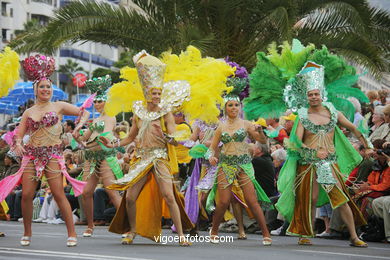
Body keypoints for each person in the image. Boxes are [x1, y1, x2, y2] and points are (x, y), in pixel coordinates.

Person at [101, 47, 233, 246]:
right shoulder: (138, 113)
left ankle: (180, 235)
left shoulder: (165, 113)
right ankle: (133, 231)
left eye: (159, 93)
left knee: (169, 196)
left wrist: (169, 137)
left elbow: (175, 134)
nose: (156, 96)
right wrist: (112, 143)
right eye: (154, 92)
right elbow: (129, 138)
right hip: (141, 158)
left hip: (159, 158)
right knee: (129, 198)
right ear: (147, 93)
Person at [0, 54, 89, 247]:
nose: (46, 89)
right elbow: (18, 134)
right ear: (36, 90)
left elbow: (84, 112)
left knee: (58, 193)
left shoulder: (59, 106)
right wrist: (18, 143)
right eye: (42, 87)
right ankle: (27, 233)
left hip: (53, 156)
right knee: (26, 195)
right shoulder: (28, 112)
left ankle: (72, 233)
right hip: (32, 156)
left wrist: (77, 127)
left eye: (48, 86)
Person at [276, 62, 369, 247]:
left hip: (328, 163)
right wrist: (311, 151)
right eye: (310, 94)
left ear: (321, 94)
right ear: (306, 97)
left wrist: (368, 145)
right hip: (308, 164)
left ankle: (354, 236)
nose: (313, 97)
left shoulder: (334, 113)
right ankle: (305, 233)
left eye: (316, 94)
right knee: (309, 199)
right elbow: (297, 141)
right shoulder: (303, 116)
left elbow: (353, 128)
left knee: (340, 197)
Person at [207, 95, 272, 245]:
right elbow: (211, 148)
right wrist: (211, 157)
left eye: (236, 105)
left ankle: (266, 234)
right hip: (226, 165)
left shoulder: (247, 124)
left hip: (243, 165)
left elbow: (262, 141)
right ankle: (214, 231)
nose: (234, 108)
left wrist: (260, 131)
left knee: (251, 201)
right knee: (223, 202)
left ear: (240, 107)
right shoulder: (221, 127)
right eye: (230, 105)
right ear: (225, 108)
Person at [73, 75, 123, 238]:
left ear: (107, 102)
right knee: (87, 192)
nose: (97, 104)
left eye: (100, 101)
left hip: (105, 157)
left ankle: (128, 225)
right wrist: (78, 130)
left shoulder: (110, 117)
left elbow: (107, 135)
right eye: (95, 101)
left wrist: (89, 142)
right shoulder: (95, 121)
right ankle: (90, 225)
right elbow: (82, 139)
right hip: (92, 159)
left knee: (111, 191)